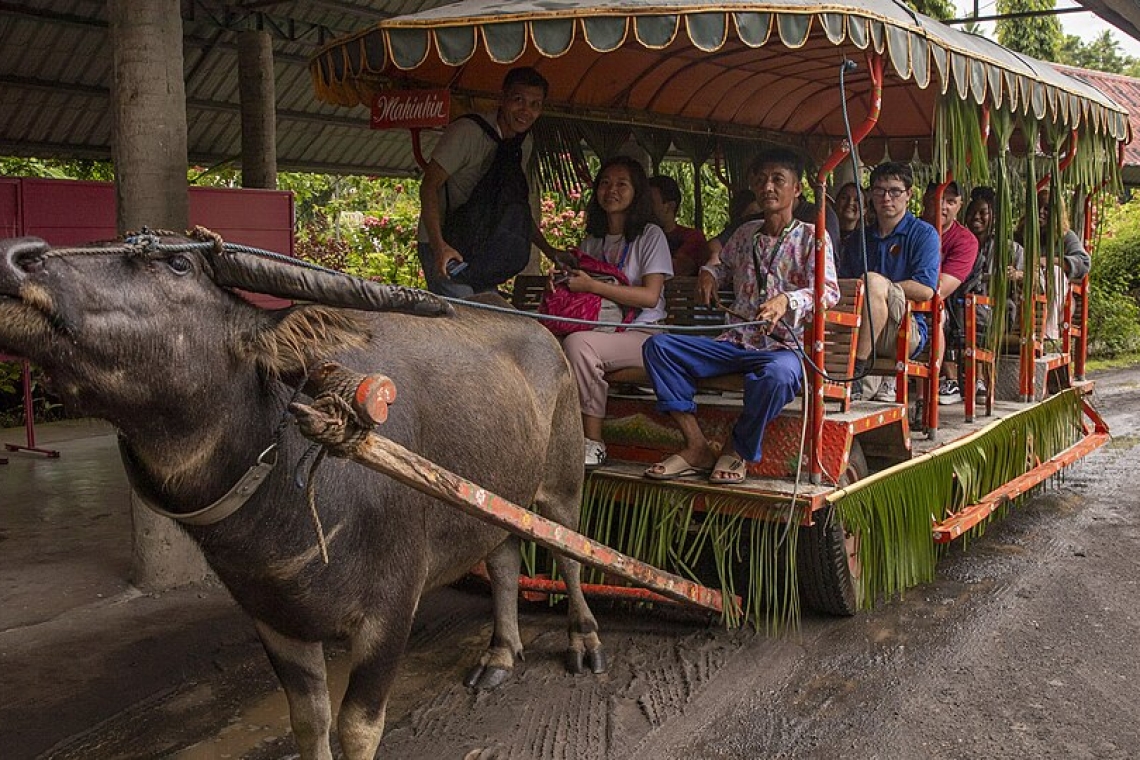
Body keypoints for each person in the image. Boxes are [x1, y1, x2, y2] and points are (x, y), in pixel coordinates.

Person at [640, 148, 839, 484]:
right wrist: (709, 273)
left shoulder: (812, 236)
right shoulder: (746, 233)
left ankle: (737, 447)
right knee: (658, 348)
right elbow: (723, 267)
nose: (768, 187)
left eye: (778, 180)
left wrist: (786, 301)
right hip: (735, 343)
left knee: (777, 378)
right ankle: (696, 446)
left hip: (782, 349)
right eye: (761, 181)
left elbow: (828, 292)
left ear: (797, 188)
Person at [416, 66, 571, 297]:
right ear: (502, 99)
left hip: (481, 246)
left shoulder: (522, 144)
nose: (525, 111)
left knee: (488, 319)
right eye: (518, 100)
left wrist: (549, 250)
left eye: (534, 105)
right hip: (445, 242)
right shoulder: (467, 132)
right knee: (465, 315)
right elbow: (429, 185)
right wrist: (439, 246)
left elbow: (514, 204)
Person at [562, 156, 674, 468]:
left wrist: (593, 287)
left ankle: (593, 442)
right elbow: (581, 294)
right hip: (601, 331)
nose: (611, 190)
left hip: (643, 335)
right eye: (605, 183)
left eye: (621, 184)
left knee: (577, 345)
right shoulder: (593, 239)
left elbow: (650, 297)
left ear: (636, 192)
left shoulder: (650, 236)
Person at [839, 161, 940, 402]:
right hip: (860, 323)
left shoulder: (923, 234)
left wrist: (882, 287)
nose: (886, 198)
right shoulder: (859, 238)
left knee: (872, 282)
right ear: (871, 195)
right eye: (879, 191)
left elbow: (926, 290)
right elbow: (844, 284)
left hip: (904, 329)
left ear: (908, 195)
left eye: (895, 191)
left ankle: (856, 373)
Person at [920, 181, 978, 405]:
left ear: (959, 206)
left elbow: (940, 289)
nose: (943, 206)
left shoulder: (965, 240)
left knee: (937, 313)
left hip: (948, 306)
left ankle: (929, 393)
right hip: (895, 295)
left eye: (951, 202)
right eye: (938, 199)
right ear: (926, 199)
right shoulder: (910, 228)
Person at [1026, 188, 1091, 341]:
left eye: (1047, 209)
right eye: (1038, 207)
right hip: (1028, 298)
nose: (1041, 212)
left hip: (1060, 302)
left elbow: (1084, 262)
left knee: (1054, 270)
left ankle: (1048, 330)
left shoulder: (1066, 236)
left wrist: (1049, 260)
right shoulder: (1023, 234)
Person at [647, 175, 710, 276]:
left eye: (651, 203)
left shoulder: (692, 237)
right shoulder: (638, 236)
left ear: (670, 206)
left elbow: (675, 268)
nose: (645, 209)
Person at [707, 189, 762, 261]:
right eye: (753, 214)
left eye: (760, 213)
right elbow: (714, 246)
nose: (757, 218)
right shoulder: (740, 226)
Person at [834, 181, 864, 252]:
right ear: (836, 203)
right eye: (844, 198)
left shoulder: (866, 240)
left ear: (864, 209)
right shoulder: (824, 234)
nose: (850, 202)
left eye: (857, 200)